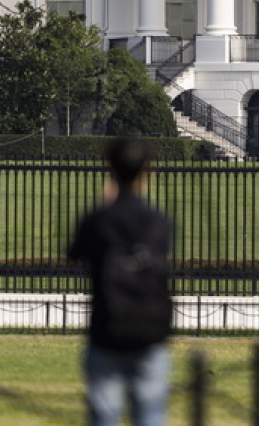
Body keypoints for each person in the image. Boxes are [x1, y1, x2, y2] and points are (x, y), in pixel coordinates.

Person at [68, 138, 173, 426]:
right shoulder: (158, 221)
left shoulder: (98, 220)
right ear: (146, 171)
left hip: (107, 326)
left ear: (110, 170)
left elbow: (76, 253)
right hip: (149, 327)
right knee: (150, 415)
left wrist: (108, 200)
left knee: (104, 415)